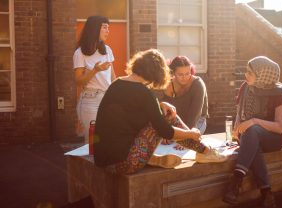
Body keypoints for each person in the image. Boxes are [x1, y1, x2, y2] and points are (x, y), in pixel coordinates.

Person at [93, 49, 227, 174]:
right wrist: (190, 134)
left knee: (162, 113)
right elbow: (165, 131)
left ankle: (152, 158)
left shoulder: (117, 84)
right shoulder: (143, 93)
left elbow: (132, 111)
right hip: (125, 163)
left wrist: (160, 104)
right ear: (156, 73)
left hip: (102, 160)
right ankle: (205, 151)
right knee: (168, 116)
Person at [223, 56, 282, 208]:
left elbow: (279, 127)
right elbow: (239, 112)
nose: (245, 75)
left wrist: (254, 121)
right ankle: (267, 194)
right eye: (246, 71)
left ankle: (237, 179)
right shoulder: (246, 87)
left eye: (250, 72)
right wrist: (237, 128)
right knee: (252, 142)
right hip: (250, 136)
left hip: (273, 139)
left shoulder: (279, 93)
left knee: (253, 130)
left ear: (263, 74)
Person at [73, 16, 115, 143]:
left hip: (107, 99)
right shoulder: (80, 53)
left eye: (108, 28)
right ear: (94, 29)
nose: (108, 31)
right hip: (90, 100)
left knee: (106, 139)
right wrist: (95, 70)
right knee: (93, 143)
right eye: (104, 27)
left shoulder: (107, 50)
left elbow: (113, 77)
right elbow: (78, 81)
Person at [159, 56, 208, 133]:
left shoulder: (198, 84)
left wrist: (187, 134)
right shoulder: (168, 85)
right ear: (173, 73)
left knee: (186, 142)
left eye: (187, 73)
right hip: (176, 121)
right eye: (180, 74)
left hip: (197, 121)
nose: (184, 77)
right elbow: (162, 111)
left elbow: (194, 115)